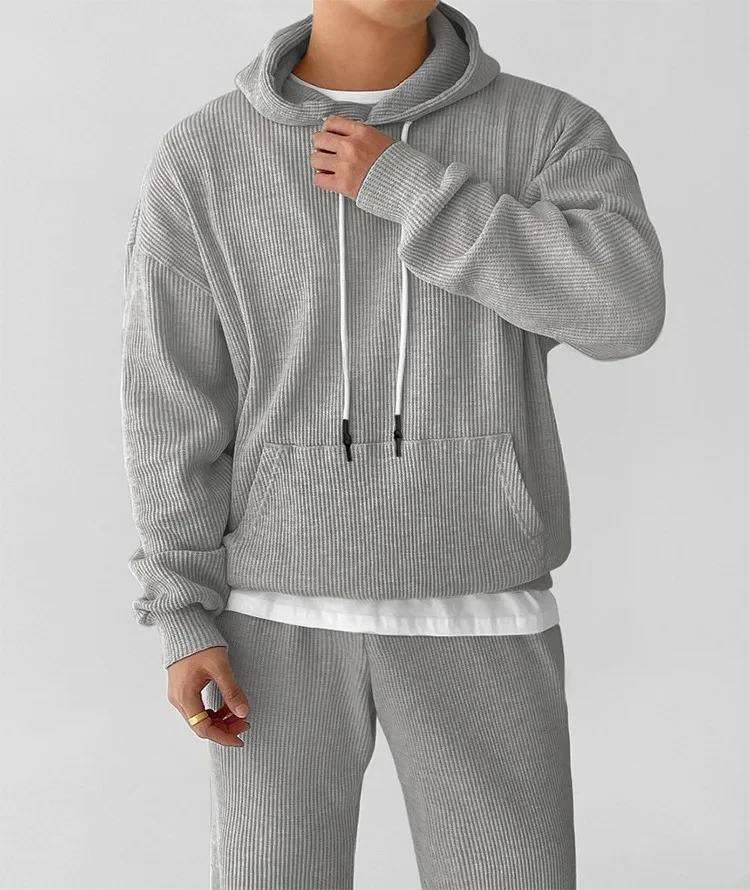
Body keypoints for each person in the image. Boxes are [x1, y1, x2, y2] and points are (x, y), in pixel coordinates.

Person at [120, 1, 665, 887]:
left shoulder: (545, 131)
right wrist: (182, 612)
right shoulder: (206, 155)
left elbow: (626, 311)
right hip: (273, 619)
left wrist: (414, 191)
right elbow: (173, 402)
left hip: (484, 605)